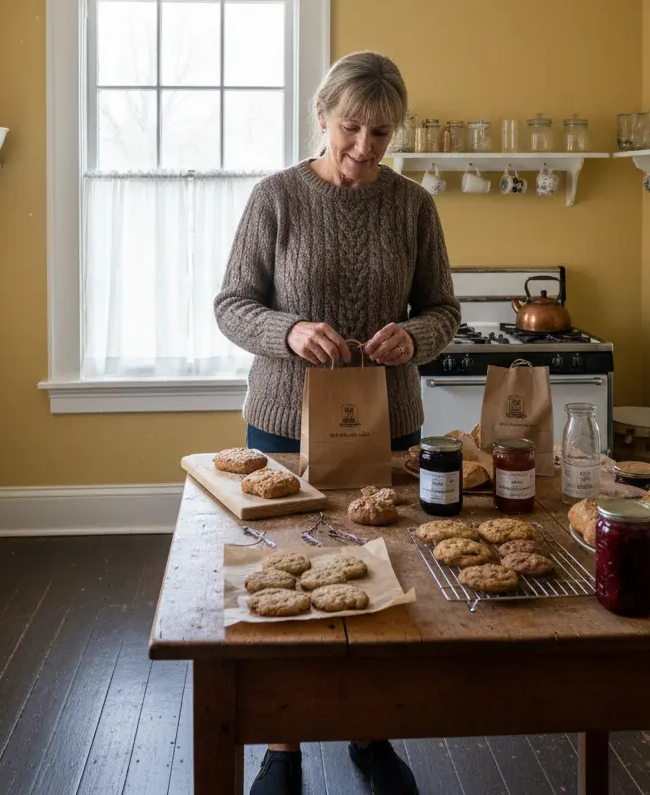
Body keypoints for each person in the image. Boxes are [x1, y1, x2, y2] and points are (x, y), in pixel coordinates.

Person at [215, 50, 461, 795]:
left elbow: (444, 311)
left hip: (390, 425)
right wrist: (288, 332)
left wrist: (413, 338)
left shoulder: (414, 205)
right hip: (284, 425)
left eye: (381, 133)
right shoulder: (275, 199)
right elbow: (232, 304)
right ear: (321, 115)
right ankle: (282, 745)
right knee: (280, 577)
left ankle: (370, 731)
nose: (363, 146)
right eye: (350, 127)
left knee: (387, 574)